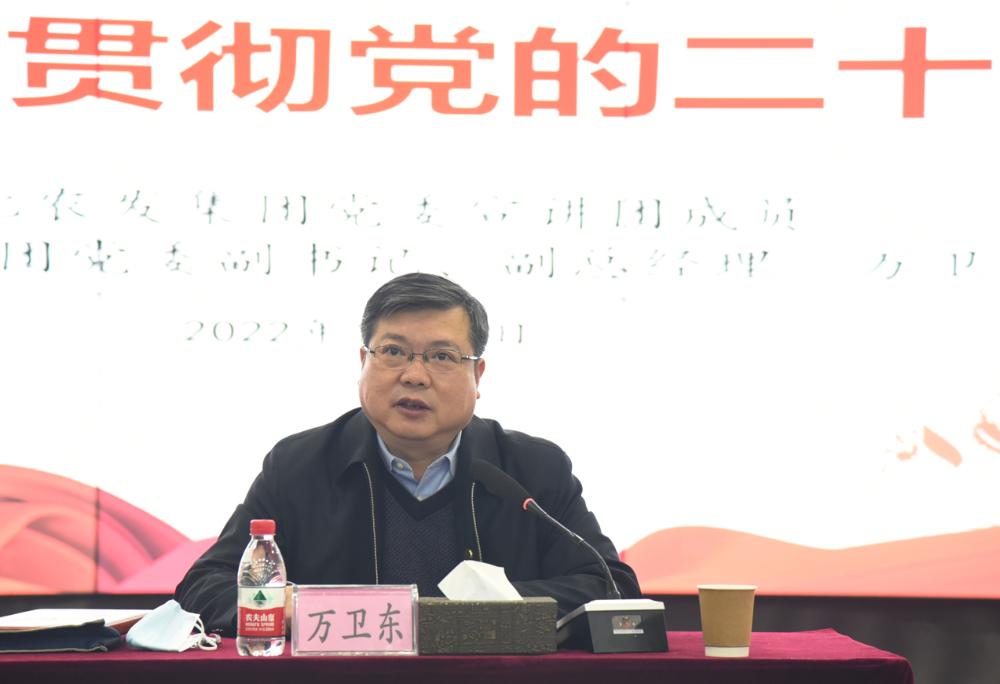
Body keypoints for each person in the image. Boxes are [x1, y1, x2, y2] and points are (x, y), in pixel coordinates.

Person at [175, 273, 640, 635]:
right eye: (394, 351)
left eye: (442, 357)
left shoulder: (532, 470)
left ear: (478, 376)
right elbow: (204, 585)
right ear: (364, 363)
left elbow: (610, 587)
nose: (414, 375)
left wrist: (462, 613)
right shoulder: (299, 466)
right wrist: (292, 606)